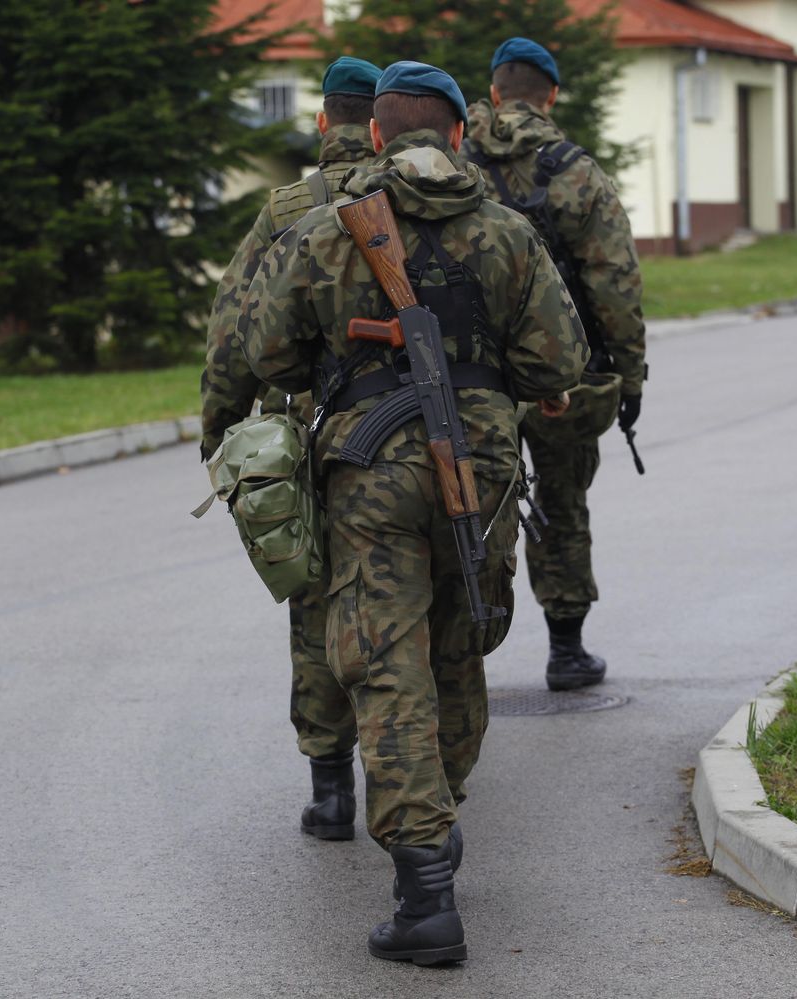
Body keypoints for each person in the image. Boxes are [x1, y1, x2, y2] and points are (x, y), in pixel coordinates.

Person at [240, 61, 587, 964]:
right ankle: (437, 821)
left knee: (386, 660)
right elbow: (558, 367)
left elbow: (267, 354)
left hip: (369, 474)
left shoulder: (324, 232)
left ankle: (426, 888)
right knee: (458, 641)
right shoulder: (508, 233)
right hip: (478, 466)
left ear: (379, 139)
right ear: (462, 136)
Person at [200, 56, 383, 840]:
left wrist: (221, 434)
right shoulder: (412, 196)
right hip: (407, 427)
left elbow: (232, 333)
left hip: (312, 434)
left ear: (321, 123)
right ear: (380, 124)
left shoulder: (286, 210)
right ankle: (416, 778)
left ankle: (331, 790)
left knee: (314, 604)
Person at [464, 37, 647, 692]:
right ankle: (566, 649)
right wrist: (629, 375)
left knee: (468, 502)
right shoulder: (576, 172)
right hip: (561, 376)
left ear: (493, 93)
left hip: (469, 379)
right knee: (562, 498)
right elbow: (615, 284)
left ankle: (458, 653)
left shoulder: (452, 165)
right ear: (552, 95)